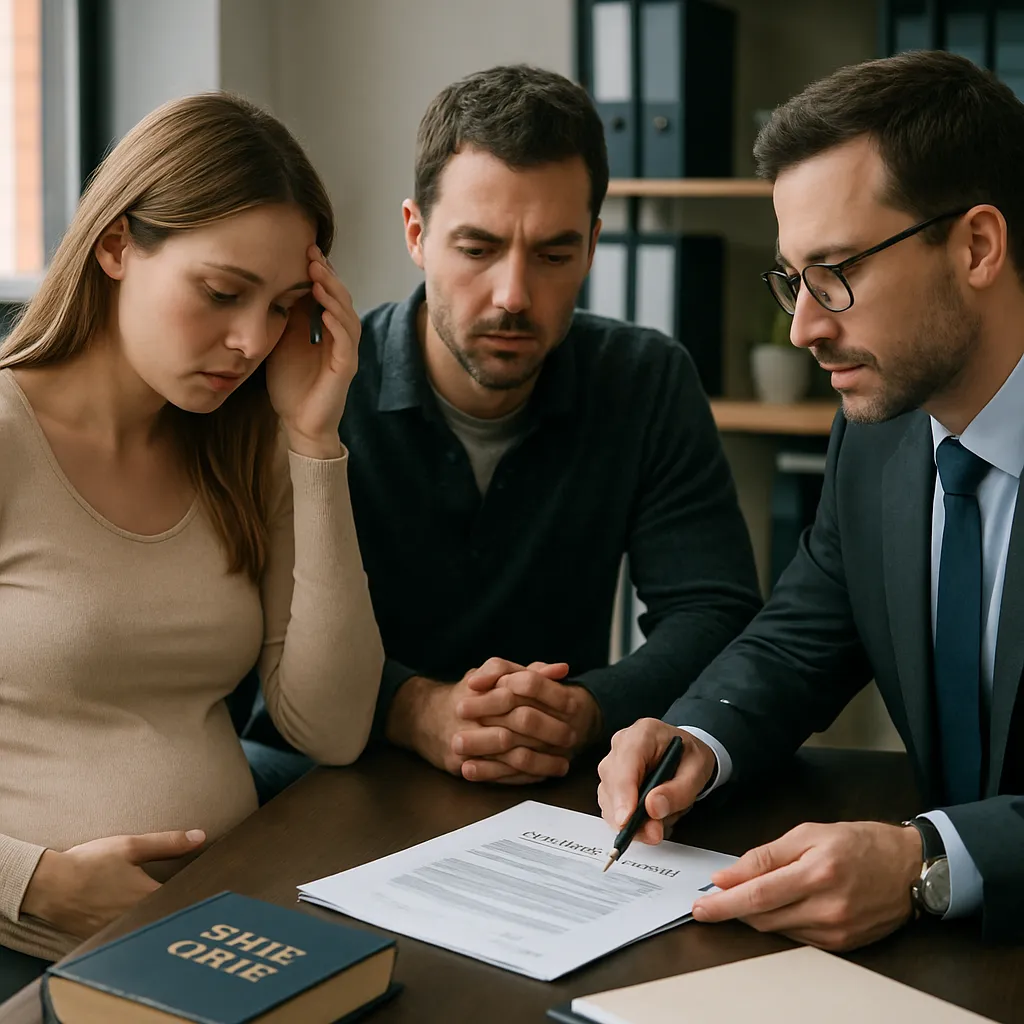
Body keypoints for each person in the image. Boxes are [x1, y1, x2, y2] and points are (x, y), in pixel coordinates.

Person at [597, 49, 1024, 951]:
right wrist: (695, 740)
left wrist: (927, 862)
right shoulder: (877, 435)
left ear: (978, 246)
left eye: (836, 271)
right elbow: (802, 634)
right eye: (793, 277)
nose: (804, 328)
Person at [244, 64, 762, 790]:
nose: (514, 295)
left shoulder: (644, 379)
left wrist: (586, 708)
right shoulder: (315, 389)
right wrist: (412, 708)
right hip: (332, 775)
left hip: (553, 787)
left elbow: (716, 612)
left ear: (592, 242)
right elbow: (257, 634)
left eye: (554, 254)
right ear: (416, 233)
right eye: (478, 249)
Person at [0, 93, 383, 997]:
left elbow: (330, 728)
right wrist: (32, 885)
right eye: (222, 293)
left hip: (220, 936)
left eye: (284, 306)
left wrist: (314, 441)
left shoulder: (239, 447)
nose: (251, 341)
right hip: (31, 947)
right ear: (118, 244)